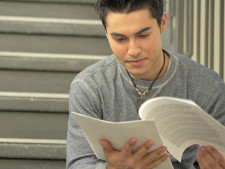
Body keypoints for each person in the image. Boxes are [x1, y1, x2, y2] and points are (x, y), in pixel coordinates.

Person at [66, 0, 225, 168]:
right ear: (106, 33)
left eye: (143, 35)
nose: (133, 50)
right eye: (120, 39)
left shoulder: (208, 86)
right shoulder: (88, 86)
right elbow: (78, 163)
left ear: (163, 22)